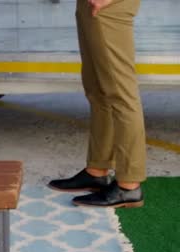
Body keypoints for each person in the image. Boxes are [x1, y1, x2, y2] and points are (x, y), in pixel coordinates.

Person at [48, 0, 146, 208]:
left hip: (110, 6)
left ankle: (129, 185)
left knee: (121, 95)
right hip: (89, 5)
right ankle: (97, 171)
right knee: (98, 91)